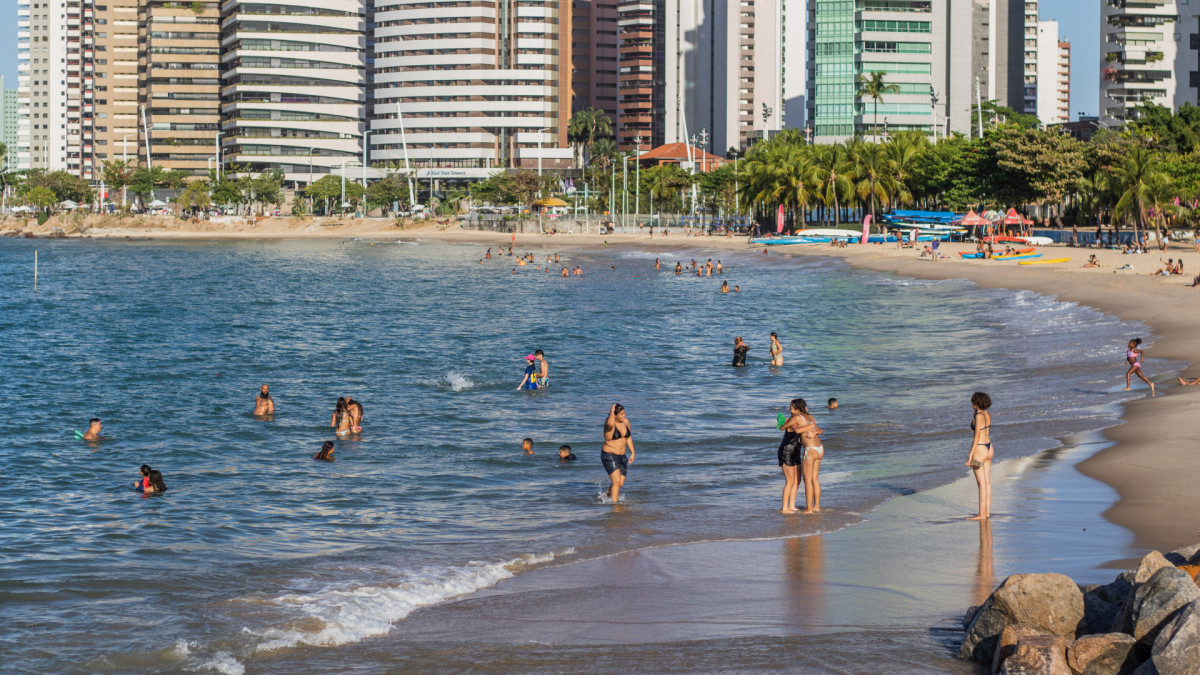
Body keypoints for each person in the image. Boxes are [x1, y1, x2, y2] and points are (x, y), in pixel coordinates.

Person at [777, 399, 819, 514]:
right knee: (790, 481)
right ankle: (785, 507)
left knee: (797, 481)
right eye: (790, 408)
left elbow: (816, 429)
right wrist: (812, 426)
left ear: (798, 409)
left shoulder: (802, 418)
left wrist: (814, 428)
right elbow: (795, 429)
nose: (789, 409)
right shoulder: (793, 420)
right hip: (787, 451)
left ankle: (792, 505)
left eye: (791, 407)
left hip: (796, 451)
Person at [966, 392, 994, 521]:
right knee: (987, 482)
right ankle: (986, 512)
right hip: (989, 448)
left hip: (979, 449)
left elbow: (977, 435)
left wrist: (971, 454)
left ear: (976, 402)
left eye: (973, 401)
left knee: (981, 484)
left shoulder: (978, 416)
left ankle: (981, 515)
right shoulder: (987, 414)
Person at [601, 403, 635, 502]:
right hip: (609, 455)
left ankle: (608, 493)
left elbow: (628, 437)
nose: (624, 416)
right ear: (614, 415)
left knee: (620, 483)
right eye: (621, 414)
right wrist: (612, 410)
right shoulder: (609, 424)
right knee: (616, 482)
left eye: (624, 413)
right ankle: (615, 506)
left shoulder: (626, 422)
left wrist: (632, 452)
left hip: (622, 456)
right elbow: (610, 423)